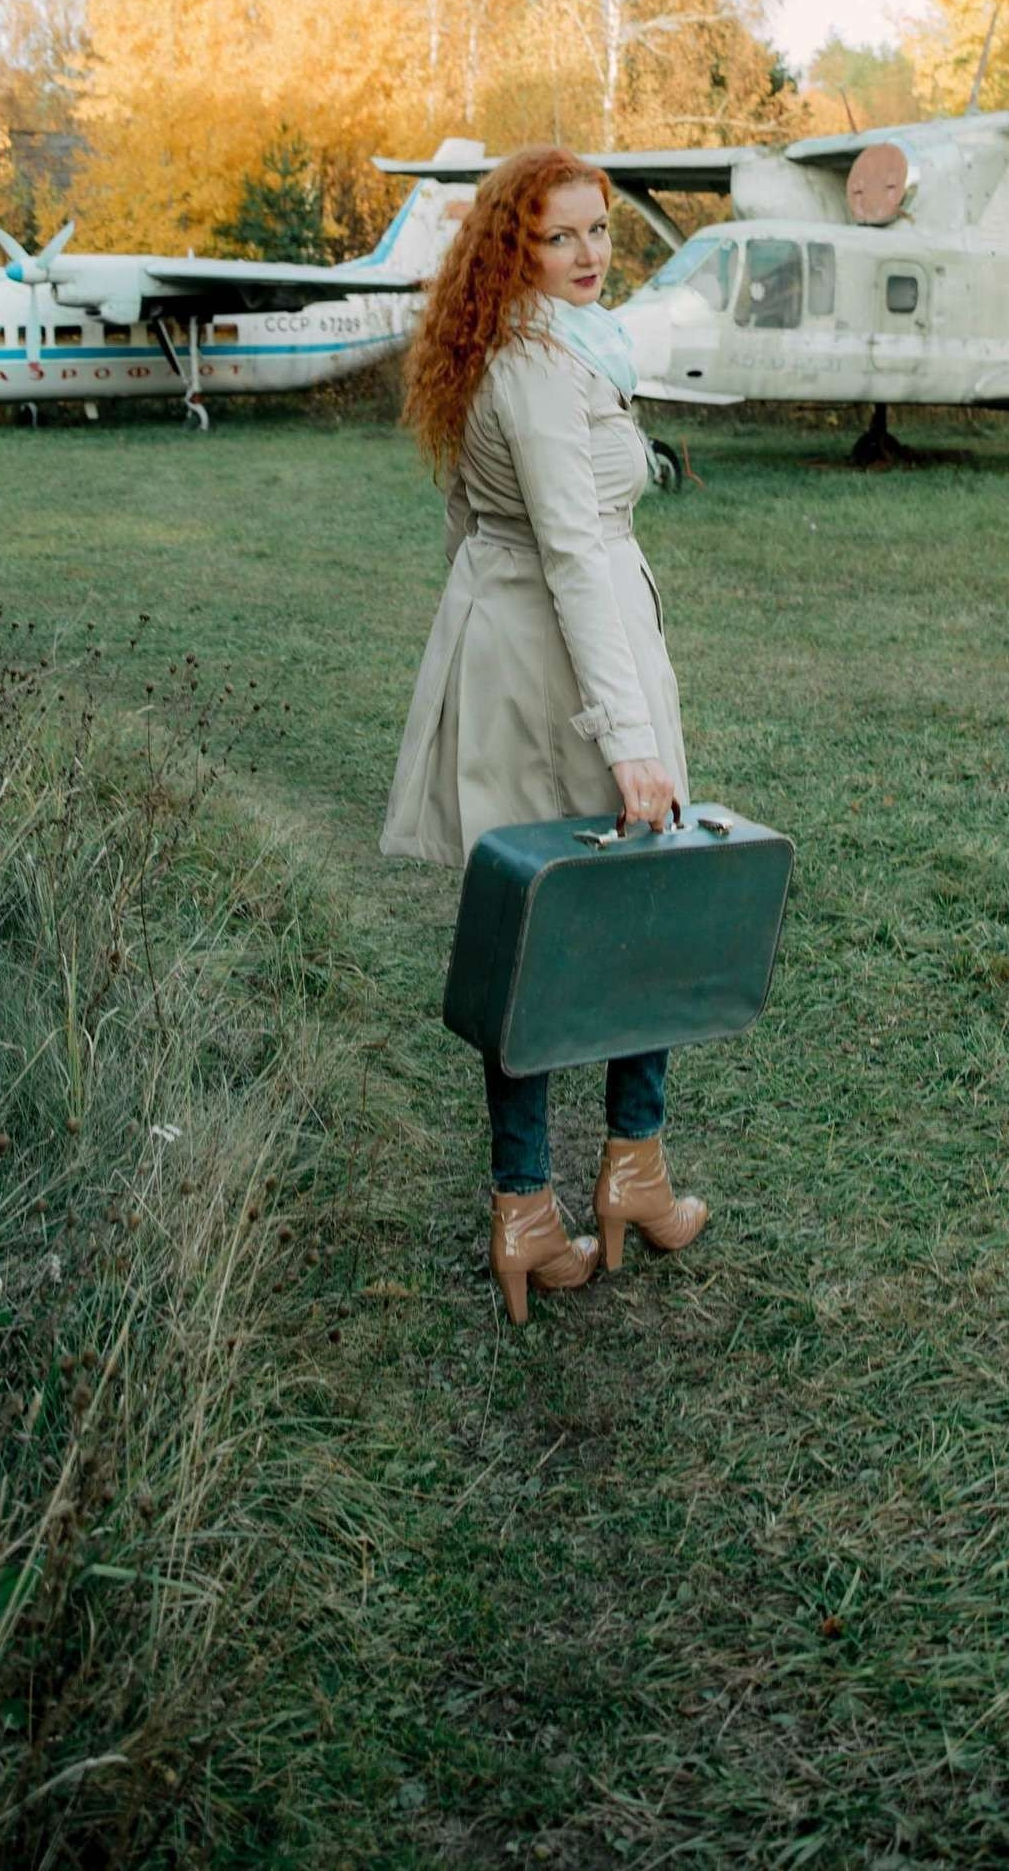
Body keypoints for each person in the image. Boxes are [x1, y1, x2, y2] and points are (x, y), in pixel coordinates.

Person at [382, 147, 709, 1323]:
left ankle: (625, 1174)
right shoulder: (528, 364)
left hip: (549, 649)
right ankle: (536, 1202)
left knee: (594, 910)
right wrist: (627, 738)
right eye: (557, 235)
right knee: (579, 919)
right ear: (510, 247)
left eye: (598, 231)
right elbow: (567, 548)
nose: (586, 255)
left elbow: (477, 524)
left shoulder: (550, 343)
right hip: (559, 672)